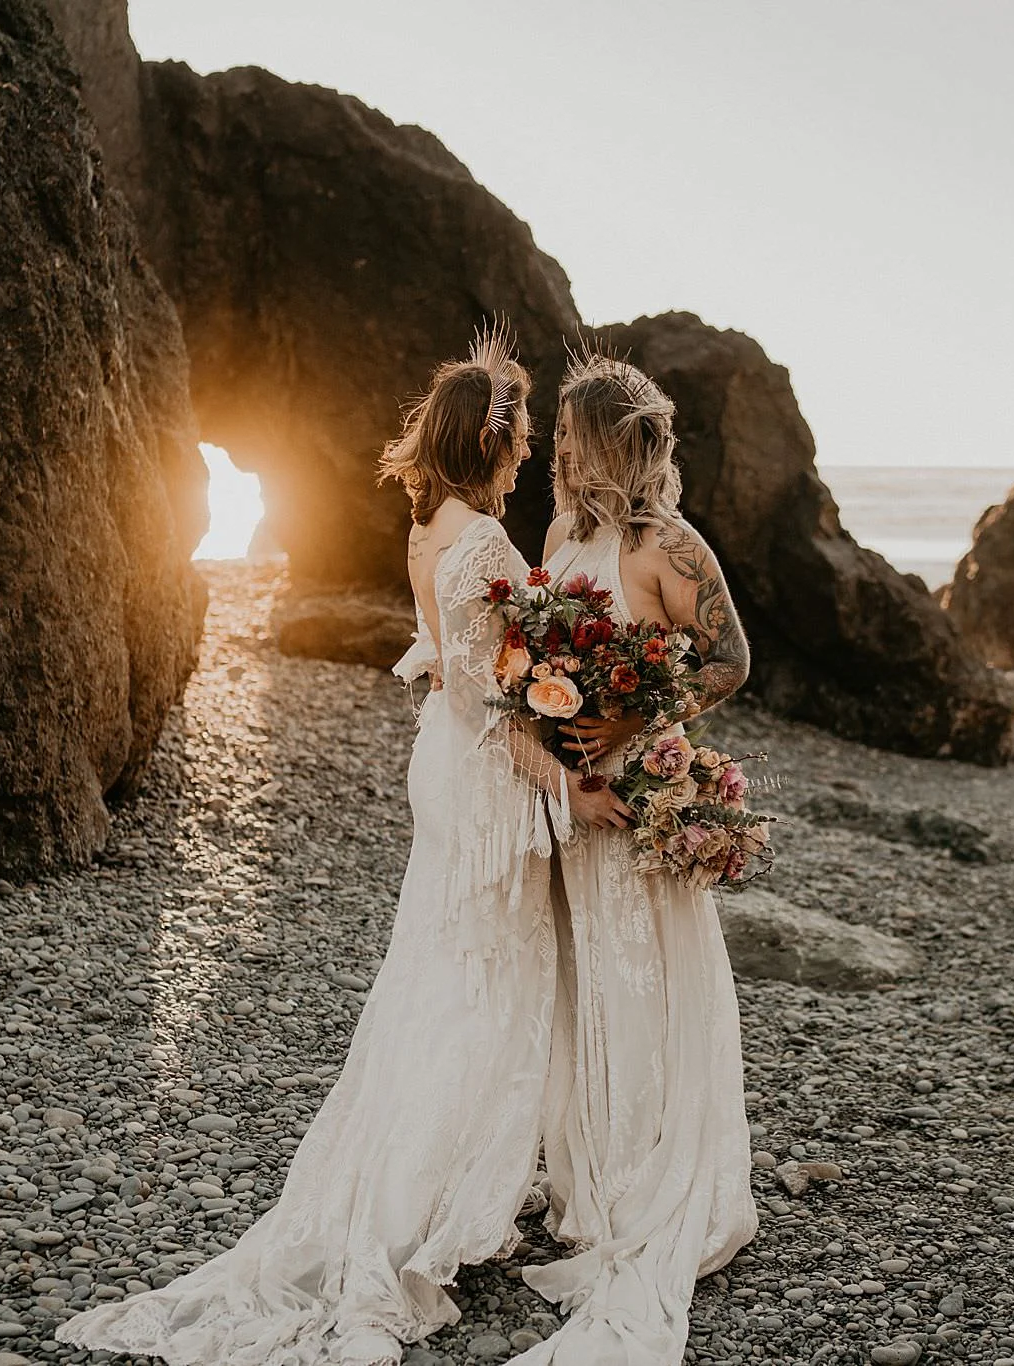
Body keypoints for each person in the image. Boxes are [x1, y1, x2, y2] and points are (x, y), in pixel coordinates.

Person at [56, 328, 626, 1365]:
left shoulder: (426, 529)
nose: (529, 453)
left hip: (442, 770)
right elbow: (491, 699)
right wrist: (573, 787)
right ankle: (424, 1207)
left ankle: (442, 1188)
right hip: (485, 773)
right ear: (487, 442)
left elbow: (454, 673)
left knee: (441, 972)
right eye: (520, 437)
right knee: (488, 981)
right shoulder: (490, 546)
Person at [513, 351, 759, 1365]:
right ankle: (592, 1180)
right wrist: (548, 728)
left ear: (611, 442)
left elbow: (729, 660)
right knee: (582, 977)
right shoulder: (562, 535)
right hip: (573, 791)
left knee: (645, 974)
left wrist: (637, 715)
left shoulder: (670, 545)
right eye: (557, 438)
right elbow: (527, 658)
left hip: (638, 784)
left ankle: (656, 1177)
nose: (558, 453)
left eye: (571, 438)